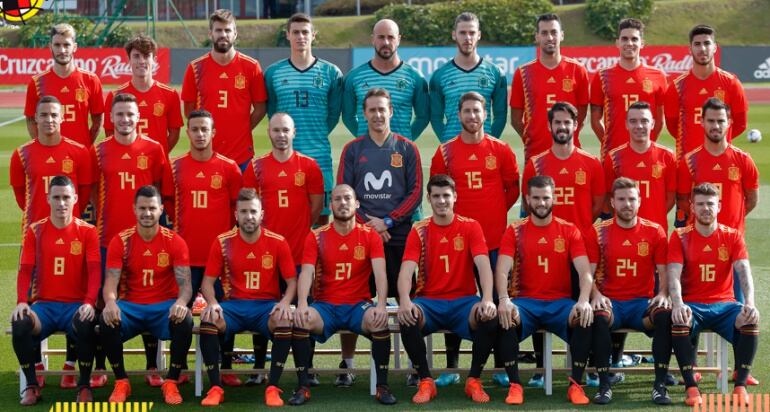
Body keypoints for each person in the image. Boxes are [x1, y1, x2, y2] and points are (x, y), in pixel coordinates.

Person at [429, 91, 519, 387]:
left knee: (493, 302)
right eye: (466, 111)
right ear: (459, 115)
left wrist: (493, 213)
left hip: (493, 240)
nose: (472, 116)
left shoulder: (502, 149)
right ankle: (452, 366)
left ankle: (498, 366)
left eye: (477, 111)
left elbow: (512, 190)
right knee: (453, 299)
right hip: (455, 242)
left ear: (486, 114)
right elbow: (437, 191)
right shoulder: (444, 153)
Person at [337, 88, 422, 385]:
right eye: (372, 110)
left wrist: (388, 221)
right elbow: (343, 194)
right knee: (354, 299)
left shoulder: (407, 148)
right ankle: (346, 364)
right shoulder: (353, 150)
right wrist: (369, 225)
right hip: (361, 239)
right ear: (364, 113)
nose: (377, 115)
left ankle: (414, 365)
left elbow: (415, 194)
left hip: (399, 238)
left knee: (406, 299)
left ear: (391, 112)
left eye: (382, 109)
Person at [521, 102, 604, 387]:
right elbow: (527, 202)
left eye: (567, 122)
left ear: (576, 125)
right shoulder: (536, 163)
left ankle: (584, 368)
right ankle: (540, 368)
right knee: (537, 300)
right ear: (550, 126)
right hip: (544, 246)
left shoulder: (591, 163)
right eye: (557, 122)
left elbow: (597, 204)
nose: (562, 127)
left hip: (580, 249)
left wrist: (576, 231)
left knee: (582, 307)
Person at [397, 174, 498, 404]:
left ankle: (474, 380)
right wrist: (404, 299)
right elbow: (406, 270)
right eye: (436, 196)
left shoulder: (471, 226)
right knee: (407, 317)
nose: (441, 201)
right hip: (429, 303)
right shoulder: (419, 229)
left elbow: (483, 266)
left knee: (489, 318)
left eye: (446, 196)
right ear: (428, 199)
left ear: (455, 197)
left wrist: (488, 299)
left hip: (464, 302)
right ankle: (425, 381)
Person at [494, 175, 595, 406]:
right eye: (536, 198)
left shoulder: (569, 230)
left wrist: (582, 300)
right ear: (527, 199)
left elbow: (584, 272)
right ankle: (515, 385)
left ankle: (576, 386)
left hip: (560, 304)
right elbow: (502, 271)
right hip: (526, 303)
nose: (541, 203)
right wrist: (504, 299)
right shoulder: (515, 230)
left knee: (585, 317)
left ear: (554, 198)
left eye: (546, 198)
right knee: (506, 317)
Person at [292, 184, 396, 405]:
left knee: (379, 322)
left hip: (358, 306)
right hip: (325, 306)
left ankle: (382, 387)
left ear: (356, 204)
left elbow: (380, 273)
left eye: (347, 198)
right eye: (337, 199)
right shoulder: (316, 236)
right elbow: (307, 272)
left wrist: (380, 305)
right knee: (302, 320)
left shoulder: (370, 236)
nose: (342, 203)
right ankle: (303, 386)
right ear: (331, 205)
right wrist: (301, 303)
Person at [91, 93, 169, 386]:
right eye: (120, 114)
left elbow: (159, 191)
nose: (125, 119)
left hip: (145, 239)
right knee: (103, 301)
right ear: (111, 119)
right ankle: (100, 368)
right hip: (107, 237)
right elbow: (90, 193)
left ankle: (151, 367)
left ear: (139, 118)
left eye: (130, 114)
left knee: (145, 297)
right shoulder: (98, 151)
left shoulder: (153, 149)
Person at [161, 109, 242, 385]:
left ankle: (226, 365)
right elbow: (169, 202)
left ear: (213, 133)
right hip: (185, 258)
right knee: (179, 314)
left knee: (224, 309)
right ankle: (180, 366)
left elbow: (237, 210)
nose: (199, 134)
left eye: (204, 129)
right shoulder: (175, 166)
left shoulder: (229, 167)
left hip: (219, 258)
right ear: (188, 132)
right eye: (194, 129)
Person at [197, 188, 299, 407]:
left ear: (262, 214)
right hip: (233, 307)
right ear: (236, 215)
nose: (249, 216)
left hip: (266, 308)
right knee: (208, 319)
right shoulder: (222, 241)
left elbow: (292, 282)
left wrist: (284, 303)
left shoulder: (278, 242)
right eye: (244, 212)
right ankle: (215, 388)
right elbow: (206, 283)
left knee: (284, 318)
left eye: (253, 211)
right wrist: (213, 303)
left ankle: (272, 387)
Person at [242, 112, 324, 385]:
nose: (280, 135)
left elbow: (315, 207)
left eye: (285, 130)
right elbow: (250, 210)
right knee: (264, 308)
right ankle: (258, 367)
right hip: (265, 253)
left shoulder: (309, 166)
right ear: (269, 132)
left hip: (300, 252)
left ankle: (307, 368)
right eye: (275, 130)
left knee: (303, 309)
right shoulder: (256, 167)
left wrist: (299, 230)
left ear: (294, 132)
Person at [99, 185, 194, 405]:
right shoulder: (120, 241)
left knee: (185, 319)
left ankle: (171, 381)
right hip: (131, 306)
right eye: (142, 208)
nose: (147, 213)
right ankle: (121, 381)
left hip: (163, 307)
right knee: (106, 319)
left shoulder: (175, 241)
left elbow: (186, 286)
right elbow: (110, 283)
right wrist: (110, 302)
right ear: (134, 209)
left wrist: (181, 302)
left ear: (161, 209)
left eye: (152, 208)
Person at [667, 183, 759, 406]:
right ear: (692, 207)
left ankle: (740, 386)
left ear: (718, 206)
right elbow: (673, 274)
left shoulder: (732, 236)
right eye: (700, 204)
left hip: (724, 305)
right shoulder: (680, 236)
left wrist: (750, 303)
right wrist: (678, 303)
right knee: (679, 321)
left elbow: (743, 270)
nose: (705, 208)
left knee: (749, 319)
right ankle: (691, 387)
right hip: (693, 305)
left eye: (710, 204)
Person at [12, 176, 101, 405]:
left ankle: (83, 385)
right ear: (48, 199)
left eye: (66, 198)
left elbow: (94, 272)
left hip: (75, 306)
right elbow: (25, 271)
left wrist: (89, 302)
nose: (62, 203)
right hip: (45, 308)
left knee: (86, 322)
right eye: (57, 197)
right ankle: (32, 386)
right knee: (20, 322)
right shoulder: (35, 231)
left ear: (76, 199)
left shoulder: (88, 231)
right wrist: (22, 301)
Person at [585, 177, 672, 404]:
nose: (627, 204)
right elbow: (588, 272)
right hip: (611, 304)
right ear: (612, 202)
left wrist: (662, 294)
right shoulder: (598, 231)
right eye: (621, 199)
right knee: (599, 317)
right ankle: (604, 385)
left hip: (641, 306)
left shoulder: (655, 232)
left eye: (632, 199)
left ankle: (660, 385)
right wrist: (596, 295)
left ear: (640, 201)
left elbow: (664, 272)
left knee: (664, 315)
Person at [264, 13, 341, 225]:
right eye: (296, 32)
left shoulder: (331, 72)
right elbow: (273, 113)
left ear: (313, 35)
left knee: (321, 219)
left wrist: (317, 132)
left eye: (305, 32)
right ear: (287, 35)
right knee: (284, 216)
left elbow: (334, 114)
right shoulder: (273, 73)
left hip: (320, 158)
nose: (301, 37)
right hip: (285, 158)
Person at [181, 9, 267, 169]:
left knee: (243, 195)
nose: (223, 34)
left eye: (228, 30)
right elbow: (189, 111)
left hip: (241, 155)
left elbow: (261, 108)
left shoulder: (251, 66)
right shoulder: (195, 68)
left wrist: (242, 129)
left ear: (235, 34)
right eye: (218, 30)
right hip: (206, 154)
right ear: (210, 34)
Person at [510, 13, 589, 161]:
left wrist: (566, 134)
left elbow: (582, 115)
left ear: (562, 35)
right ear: (537, 37)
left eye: (554, 32)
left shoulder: (578, 70)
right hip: (535, 154)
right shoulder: (523, 73)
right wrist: (531, 138)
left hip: (570, 152)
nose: (550, 37)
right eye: (544, 33)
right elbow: (515, 119)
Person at [589, 18, 668, 158]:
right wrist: (609, 145)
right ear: (617, 43)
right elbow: (595, 120)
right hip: (613, 156)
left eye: (634, 39)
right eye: (624, 39)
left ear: (642, 43)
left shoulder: (658, 76)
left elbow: (659, 120)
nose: (629, 43)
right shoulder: (602, 76)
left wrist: (645, 145)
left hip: (645, 154)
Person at [342, 18, 429, 141]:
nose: (386, 42)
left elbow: (423, 117)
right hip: (366, 154)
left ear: (398, 40)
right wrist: (363, 139)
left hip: (401, 154)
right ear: (373, 39)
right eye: (381, 37)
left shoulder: (415, 77)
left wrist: (406, 142)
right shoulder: (354, 77)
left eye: (391, 37)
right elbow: (348, 117)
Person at [430, 12, 507, 143]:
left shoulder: (496, 73)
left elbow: (500, 115)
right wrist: (447, 143)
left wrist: (490, 142)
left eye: (472, 33)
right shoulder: (439, 75)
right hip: (453, 151)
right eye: (462, 33)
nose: (467, 37)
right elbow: (435, 117)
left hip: (485, 150)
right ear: (454, 35)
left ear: (479, 35)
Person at [24, 23, 103, 146]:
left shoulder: (91, 80)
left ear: (75, 47)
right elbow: (30, 120)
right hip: (50, 153)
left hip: (81, 155)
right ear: (50, 47)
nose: (62, 50)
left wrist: (85, 146)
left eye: (66, 45)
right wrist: (42, 145)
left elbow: (98, 120)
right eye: (57, 45)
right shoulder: (37, 83)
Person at [105, 34, 183, 155]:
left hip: (158, 166)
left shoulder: (170, 94)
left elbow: (175, 132)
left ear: (154, 60)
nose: (141, 61)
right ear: (129, 60)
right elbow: (110, 132)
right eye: (136, 56)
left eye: (146, 56)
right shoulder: (114, 96)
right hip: (127, 164)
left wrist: (159, 155)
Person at [603, 101, 676, 232]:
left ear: (652, 123)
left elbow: (671, 198)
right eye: (633, 121)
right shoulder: (613, 157)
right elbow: (609, 197)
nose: (639, 126)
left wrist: (655, 215)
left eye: (644, 121)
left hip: (656, 232)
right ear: (626, 124)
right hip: (624, 231)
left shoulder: (667, 156)